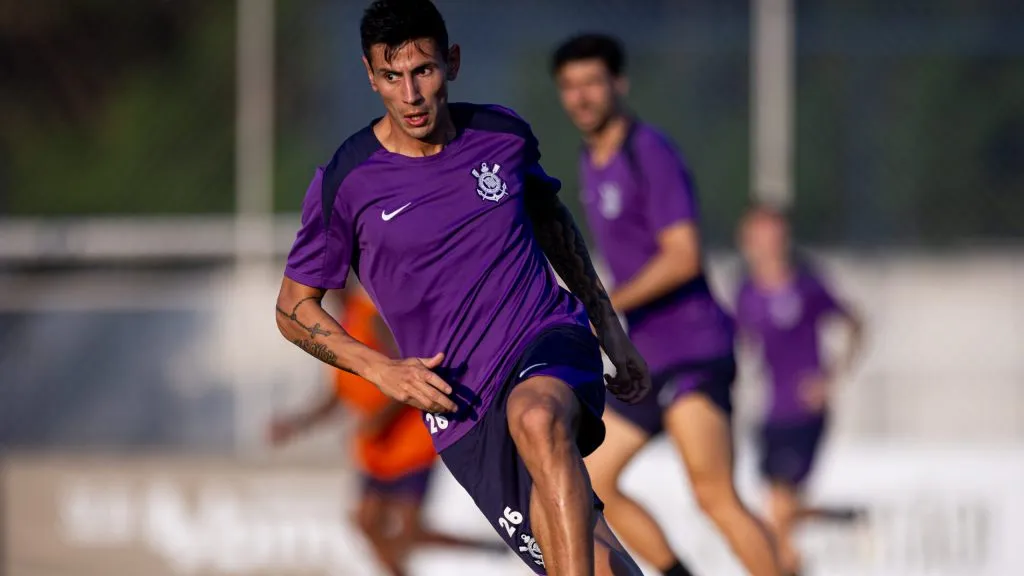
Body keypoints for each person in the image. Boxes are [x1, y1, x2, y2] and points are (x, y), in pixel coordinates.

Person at [275, 2, 651, 574]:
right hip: (462, 410)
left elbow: (553, 224)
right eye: (392, 77)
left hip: (544, 338)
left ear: (450, 62)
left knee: (536, 417)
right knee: (601, 565)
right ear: (370, 76)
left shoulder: (501, 135)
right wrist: (382, 371)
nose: (411, 94)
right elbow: (292, 307)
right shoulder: (347, 181)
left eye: (423, 70)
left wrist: (609, 330)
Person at [551, 34, 782, 576]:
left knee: (714, 496)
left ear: (619, 84)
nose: (581, 97)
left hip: (693, 347)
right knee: (594, 479)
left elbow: (683, 256)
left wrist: (602, 306)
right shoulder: (591, 159)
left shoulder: (648, 151)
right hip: (648, 356)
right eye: (569, 87)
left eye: (591, 83)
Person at [268, 282, 503, 576]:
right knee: (367, 522)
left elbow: (406, 371)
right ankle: (483, 552)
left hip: (407, 440)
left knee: (408, 530)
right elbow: (337, 394)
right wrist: (297, 424)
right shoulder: (340, 327)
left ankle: (491, 551)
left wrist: (380, 418)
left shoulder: (371, 317)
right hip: (375, 446)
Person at [735, 205, 864, 576]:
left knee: (778, 514)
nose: (767, 244)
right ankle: (835, 519)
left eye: (773, 234)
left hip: (805, 411)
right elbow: (739, 339)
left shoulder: (806, 285)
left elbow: (855, 322)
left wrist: (831, 377)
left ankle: (789, 564)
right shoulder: (745, 291)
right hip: (769, 412)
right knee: (779, 521)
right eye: (759, 235)